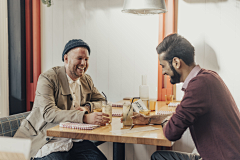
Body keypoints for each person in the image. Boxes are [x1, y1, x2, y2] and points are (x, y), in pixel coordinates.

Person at [131, 33, 240, 160]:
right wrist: (149, 119)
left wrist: (169, 121)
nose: (163, 72)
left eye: (163, 66)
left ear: (176, 62)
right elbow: (178, 118)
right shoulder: (209, 77)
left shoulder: (199, 86)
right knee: (159, 156)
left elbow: (171, 132)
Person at [14, 39, 109, 160]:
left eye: (86, 59)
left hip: (74, 139)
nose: (83, 63)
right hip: (45, 139)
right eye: (79, 58)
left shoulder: (86, 79)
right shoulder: (48, 78)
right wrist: (84, 117)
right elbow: (49, 113)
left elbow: (102, 100)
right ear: (66, 59)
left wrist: (88, 107)